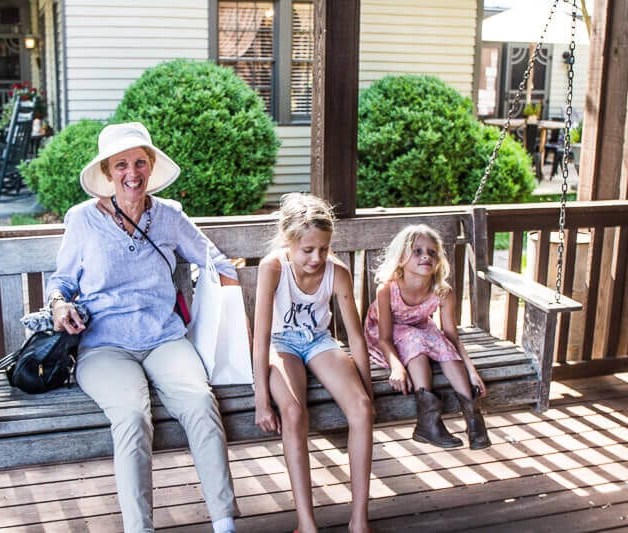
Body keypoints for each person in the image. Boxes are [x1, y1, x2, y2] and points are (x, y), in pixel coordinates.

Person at [46, 122, 239, 533]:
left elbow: (214, 261)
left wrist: (257, 290)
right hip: (104, 346)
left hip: (164, 338)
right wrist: (60, 305)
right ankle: (139, 528)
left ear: (150, 166)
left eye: (139, 162)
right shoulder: (82, 220)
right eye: (121, 165)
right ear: (108, 172)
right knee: (133, 418)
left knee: (201, 406)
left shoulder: (169, 216)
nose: (131, 173)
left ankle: (224, 524)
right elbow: (61, 281)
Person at [252, 193, 374, 533]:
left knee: (362, 410)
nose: (317, 258)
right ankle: (307, 524)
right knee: (292, 412)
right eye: (308, 250)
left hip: (318, 341)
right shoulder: (273, 267)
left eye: (324, 248)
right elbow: (261, 336)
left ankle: (359, 521)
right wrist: (261, 399)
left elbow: (356, 336)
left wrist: (367, 390)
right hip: (281, 343)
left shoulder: (338, 273)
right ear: (289, 242)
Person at [364, 224, 492, 450]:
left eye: (432, 252)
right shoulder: (387, 289)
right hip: (386, 334)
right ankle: (428, 422)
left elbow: (451, 335)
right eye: (417, 251)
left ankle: (473, 419)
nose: (426, 256)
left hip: (420, 328)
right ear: (402, 257)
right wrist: (396, 367)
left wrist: (472, 371)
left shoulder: (442, 291)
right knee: (414, 339)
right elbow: (384, 337)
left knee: (438, 341)